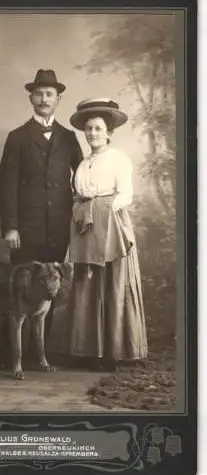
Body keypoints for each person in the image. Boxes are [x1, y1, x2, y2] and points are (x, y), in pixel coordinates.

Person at [0, 69, 83, 364]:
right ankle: (14, 355)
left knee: (50, 289)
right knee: (21, 289)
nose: (44, 99)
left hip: (59, 228)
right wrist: (10, 227)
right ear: (31, 98)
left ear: (58, 99)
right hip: (26, 229)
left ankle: (42, 356)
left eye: (49, 94)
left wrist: (78, 220)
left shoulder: (70, 138)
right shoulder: (17, 138)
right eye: (39, 93)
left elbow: (82, 179)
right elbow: (6, 184)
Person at [67, 98, 148, 371]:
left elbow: (126, 194)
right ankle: (90, 350)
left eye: (98, 128)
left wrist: (104, 210)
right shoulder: (83, 163)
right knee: (89, 285)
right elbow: (78, 194)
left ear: (109, 132)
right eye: (89, 129)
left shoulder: (117, 158)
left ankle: (115, 351)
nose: (92, 133)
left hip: (112, 224)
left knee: (112, 285)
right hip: (86, 227)